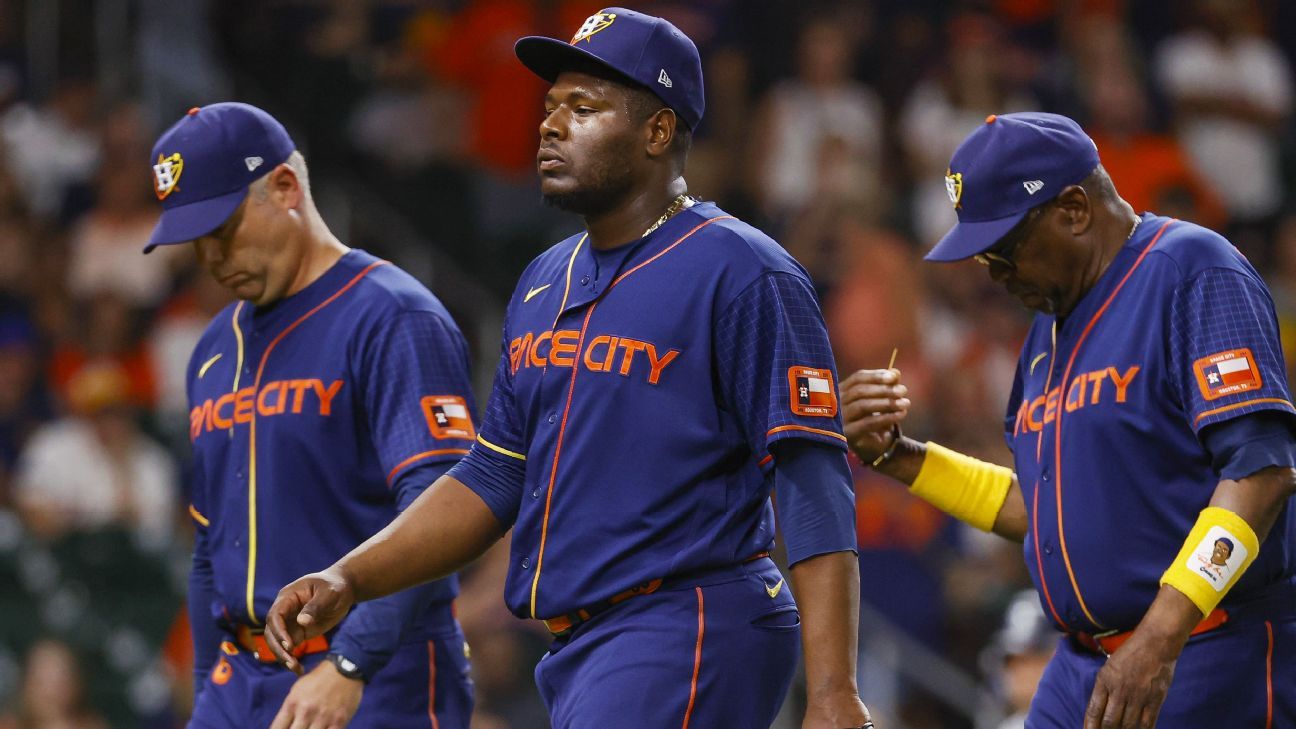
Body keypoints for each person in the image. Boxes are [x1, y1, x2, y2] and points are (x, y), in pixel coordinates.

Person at [266, 9, 874, 729]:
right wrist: (350, 574)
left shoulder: (743, 270)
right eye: (550, 106)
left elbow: (811, 477)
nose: (550, 125)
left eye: (583, 109)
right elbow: (493, 475)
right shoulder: (541, 280)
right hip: (582, 644)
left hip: (686, 623)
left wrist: (834, 691)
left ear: (656, 132)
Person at [842, 112, 1296, 728]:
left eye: (1003, 251)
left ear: (1075, 209)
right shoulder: (1044, 334)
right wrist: (901, 459)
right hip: (1083, 666)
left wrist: (1159, 637)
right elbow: (1043, 510)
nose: (995, 276)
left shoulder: (1192, 269)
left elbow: (1262, 470)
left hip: (1205, 646)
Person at [143, 102, 476, 729]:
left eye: (224, 227)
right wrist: (206, 687)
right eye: (196, 240)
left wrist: (352, 664)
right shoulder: (213, 350)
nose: (211, 257)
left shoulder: (391, 316)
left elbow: (442, 508)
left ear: (285, 187)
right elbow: (209, 546)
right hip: (239, 681)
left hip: (373, 674)